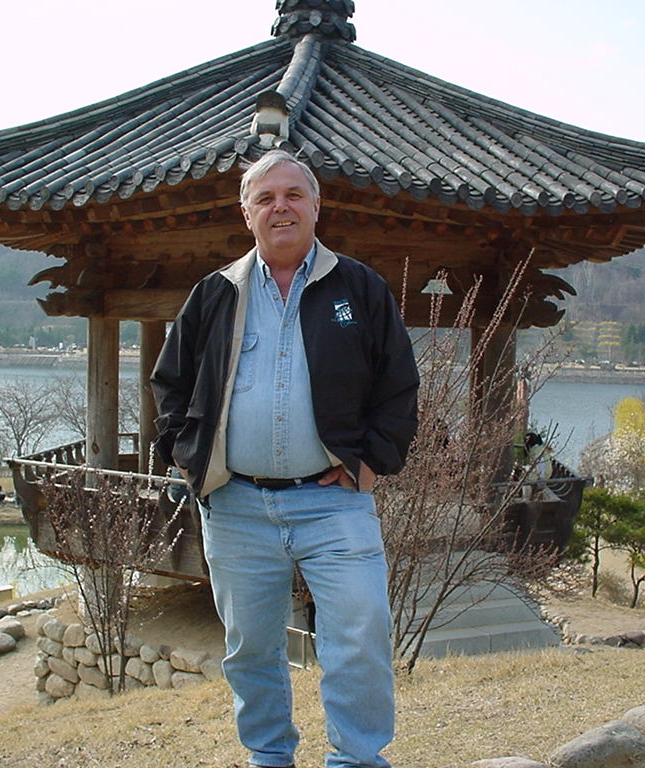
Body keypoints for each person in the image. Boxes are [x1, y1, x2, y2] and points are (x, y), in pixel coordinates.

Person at [151, 149, 420, 768]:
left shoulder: (358, 288)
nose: (281, 207)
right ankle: (269, 757)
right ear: (246, 213)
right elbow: (171, 384)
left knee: (360, 632)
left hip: (335, 501)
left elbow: (398, 385)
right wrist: (189, 460)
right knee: (251, 648)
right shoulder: (215, 293)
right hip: (236, 503)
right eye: (266, 198)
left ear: (316, 206)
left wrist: (373, 461)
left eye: (294, 195)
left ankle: (356, 759)